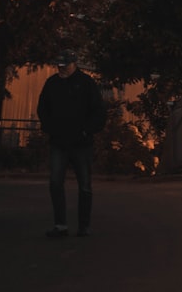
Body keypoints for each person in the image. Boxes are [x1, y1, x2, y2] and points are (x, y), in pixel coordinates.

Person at [36, 51, 107, 238]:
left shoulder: (86, 83)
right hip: (59, 141)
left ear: (74, 64)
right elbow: (42, 107)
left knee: (84, 185)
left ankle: (84, 226)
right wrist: (50, 127)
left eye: (65, 66)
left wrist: (86, 130)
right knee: (55, 183)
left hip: (81, 143)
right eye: (59, 66)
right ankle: (61, 225)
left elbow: (99, 111)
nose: (61, 69)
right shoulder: (52, 83)